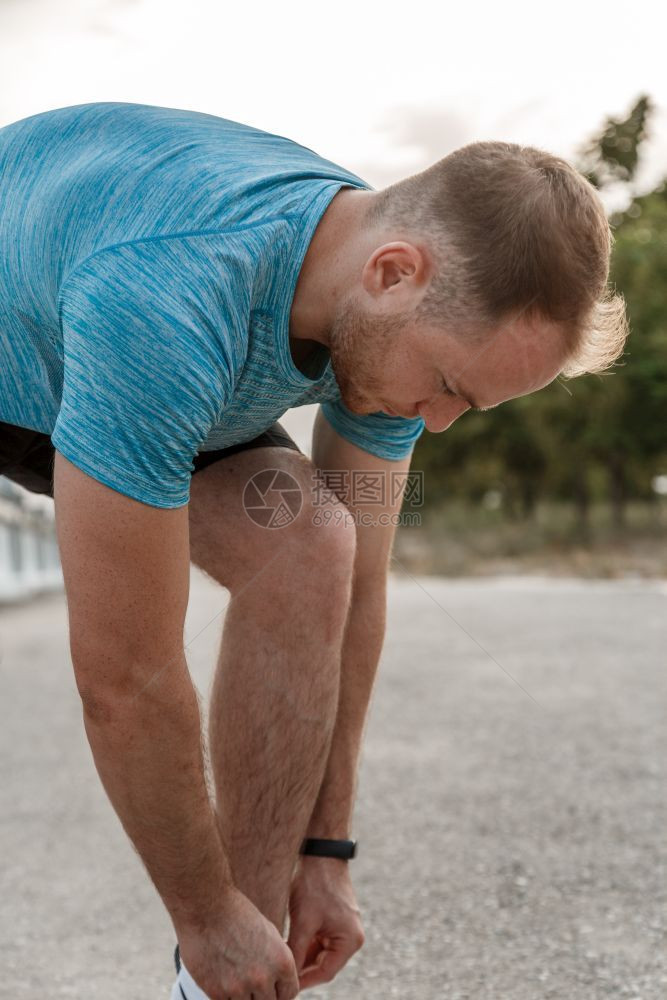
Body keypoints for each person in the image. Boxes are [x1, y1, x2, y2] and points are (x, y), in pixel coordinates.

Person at [0, 101, 627, 999]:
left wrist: (324, 851)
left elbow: (359, 586)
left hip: (117, 335)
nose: (438, 421)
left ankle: (223, 989)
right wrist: (204, 912)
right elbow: (124, 677)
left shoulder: (381, 304)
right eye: (447, 385)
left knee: (312, 547)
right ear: (393, 271)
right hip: (54, 326)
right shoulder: (167, 303)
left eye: (469, 406)